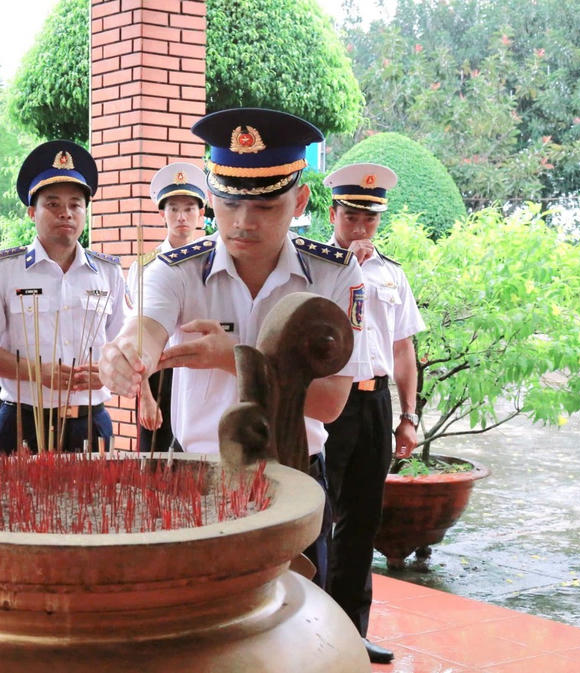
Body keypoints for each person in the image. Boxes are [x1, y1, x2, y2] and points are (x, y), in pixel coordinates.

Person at [99, 108, 373, 570]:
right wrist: (126, 354)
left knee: (298, 624)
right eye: (229, 204)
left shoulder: (335, 275)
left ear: (301, 201)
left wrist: (238, 361)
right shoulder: (176, 270)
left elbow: (330, 403)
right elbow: (144, 328)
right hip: (196, 475)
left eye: (265, 206)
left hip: (293, 472)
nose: (244, 222)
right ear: (211, 197)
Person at [321, 163, 426, 665]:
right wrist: (345, 266)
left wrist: (408, 415)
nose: (360, 227)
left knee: (363, 517)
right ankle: (309, 629)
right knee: (319, 517)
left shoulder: (392, 273)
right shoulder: (313, 267)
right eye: (351, 216)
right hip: (325, 403)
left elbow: (403, 348)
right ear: (332, 212)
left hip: (374, 401)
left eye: (370, 218)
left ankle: (352, 630)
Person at [0, 140, 126, 453]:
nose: (65, 213)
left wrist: (108, 373)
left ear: (85, 211)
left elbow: (121, 343)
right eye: (52, 204)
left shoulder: (108, 273)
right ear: (32, 211)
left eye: (75, 205)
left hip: (90, 422)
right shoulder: (3, 270)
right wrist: (36, 372)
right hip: (23, 422)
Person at [127, 162, 208, 452]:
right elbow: (137, 344)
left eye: (189, 208)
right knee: (155, 469)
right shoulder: (145, 267)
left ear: (201, 213)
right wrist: (145, 398)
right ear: (162, 214)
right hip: (159, 375)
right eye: (173, 208)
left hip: (200, 374)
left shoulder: (211, 266)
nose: (182, 217)